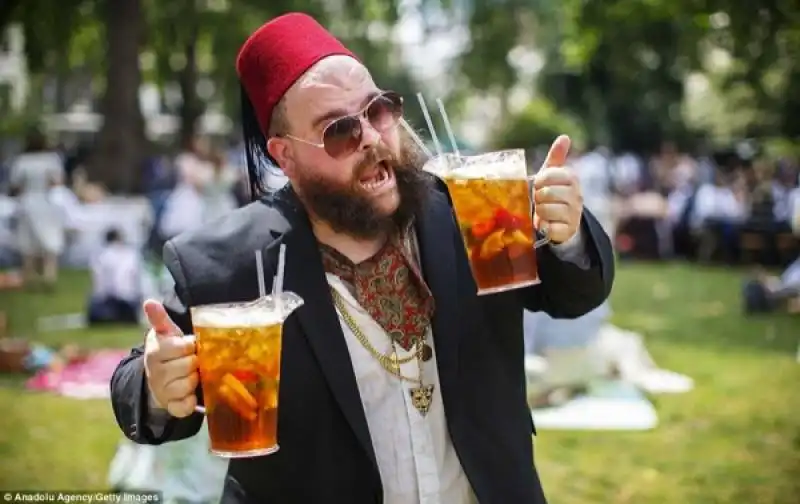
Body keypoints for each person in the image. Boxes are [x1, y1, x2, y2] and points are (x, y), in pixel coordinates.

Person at [110, 13, 614, 504]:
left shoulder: (473, 208)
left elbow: (574, 294)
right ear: (285, 155)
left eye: (378, 111)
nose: (372, 138)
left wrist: (564, 235)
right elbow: (140, 387)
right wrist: (158, 386)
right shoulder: (228, 263)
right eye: (340, 131)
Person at [8, 129, 67, 289]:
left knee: (27, 242)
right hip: (46, 201)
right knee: (50, 240)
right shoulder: (51, 159)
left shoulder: (21, 161)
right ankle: (49, 276)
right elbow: (57, 181)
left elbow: (15, 184)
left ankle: (29, 277)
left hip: (26, 202)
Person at [87, 229, 143, 325]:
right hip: (126, 303)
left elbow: (98, 285)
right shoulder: (131, 254)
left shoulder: (100, 256)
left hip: (106, 301)